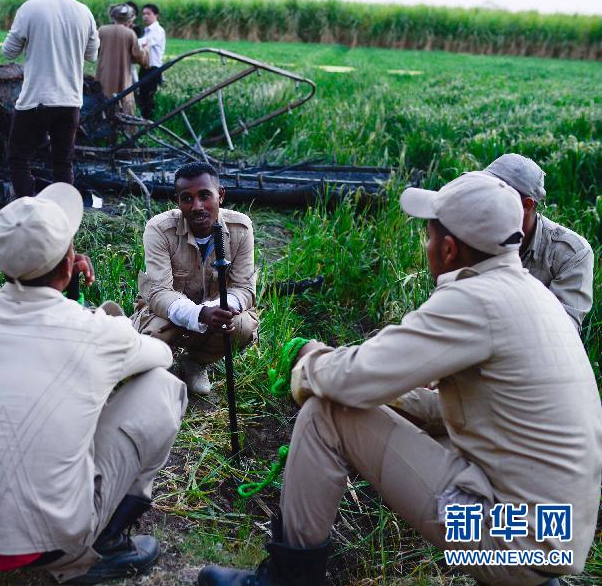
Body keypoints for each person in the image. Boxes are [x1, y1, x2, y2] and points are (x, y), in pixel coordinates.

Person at [198, 172, 601, 586]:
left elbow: (351, 380)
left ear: (447, 248)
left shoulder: (475, 299)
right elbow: (443, 407)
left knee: (327, 413)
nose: (427, 246)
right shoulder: (534, 297)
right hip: (557, 534)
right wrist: (393, 396)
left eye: (428, 237)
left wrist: (309, 364)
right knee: (404, 410)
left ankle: (286, 581)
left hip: (512, 539)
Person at [0, 182, 187, 584]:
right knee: (165, 389)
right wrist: (100, 312)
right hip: (42, 544)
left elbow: (26, 321)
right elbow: (161, 357)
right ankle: (101, 547)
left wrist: (62, 290)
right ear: (69, 264)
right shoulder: (97, 332)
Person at [131, 162, 258, 395]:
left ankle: (197, 362)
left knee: (241, 326)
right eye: (187, 198)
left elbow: (245, 288)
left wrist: (221, 308)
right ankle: (160, 368)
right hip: (170, 313)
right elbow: (158, 293)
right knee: (152, 335)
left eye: (205, 196)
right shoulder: (159, 229)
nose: (197, 206)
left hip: (215, 310)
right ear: (177, 201)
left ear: (220, 196)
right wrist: (198, 314)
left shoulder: (241, 228)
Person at [0, 0, 99, 197]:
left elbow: (9, 52)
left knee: (18, 156)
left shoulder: (30, 8)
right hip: (71, 101)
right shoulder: (83, 11)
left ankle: (28, 210)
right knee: (63, 162)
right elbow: (92, 55)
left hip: (36, 100)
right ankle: (64, 216)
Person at [484, 153, 593, 331]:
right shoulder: (472, 232)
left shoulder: (571, 254)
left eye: (493, 195)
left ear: (526, 205)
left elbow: (564, 331)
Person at [96, 4, 149, 115]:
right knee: (123, 101)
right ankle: (124, 129)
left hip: (104, 74)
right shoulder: (130, 34)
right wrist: (146, 49)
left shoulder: (102, 30)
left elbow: (93, 52)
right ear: (129, 19)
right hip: (122, 76)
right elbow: (139, 57)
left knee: (102, 99)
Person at [137, 3, 165, 119]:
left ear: (156, 15)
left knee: (149, 98)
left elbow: (144, 43)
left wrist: (128, 39)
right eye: (143, 14)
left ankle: (149, 124)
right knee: (143, 96)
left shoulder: (157, 30)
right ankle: (143, 121)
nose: (145, 16)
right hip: (145, 68)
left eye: (148, 14)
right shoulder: (148, 30)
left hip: (153, 70)